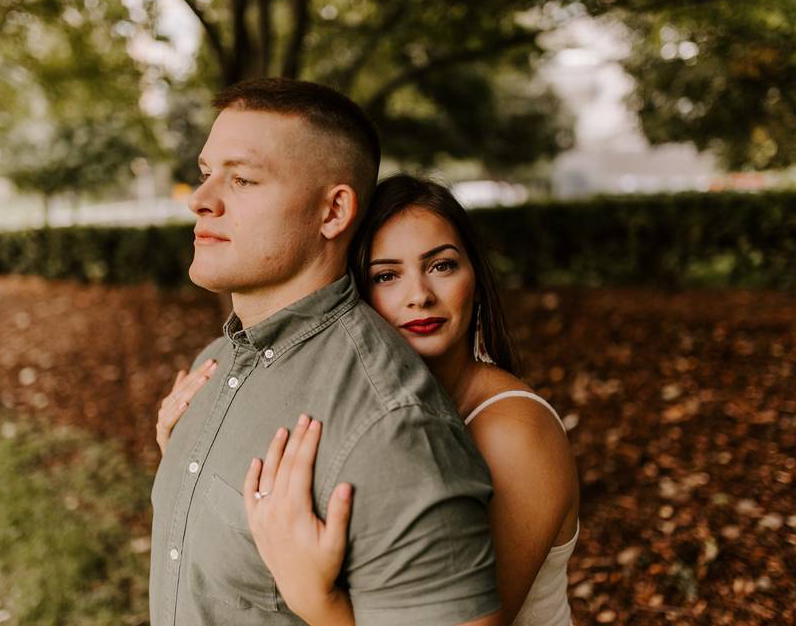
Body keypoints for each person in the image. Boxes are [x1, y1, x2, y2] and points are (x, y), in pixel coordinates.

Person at [150, 79, 502, 626]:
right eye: (205, 174)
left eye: (241, 179)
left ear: (333, 211)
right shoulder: (211, 365)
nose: (201, 200)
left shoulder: (391, 427)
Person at [159, 174, 581, 625]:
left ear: (474, 277)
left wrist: (317, 600)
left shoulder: (513, 432)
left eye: (442, 265)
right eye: (387, 275)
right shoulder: (354, 408)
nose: (419, 295)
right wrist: (189, 446)